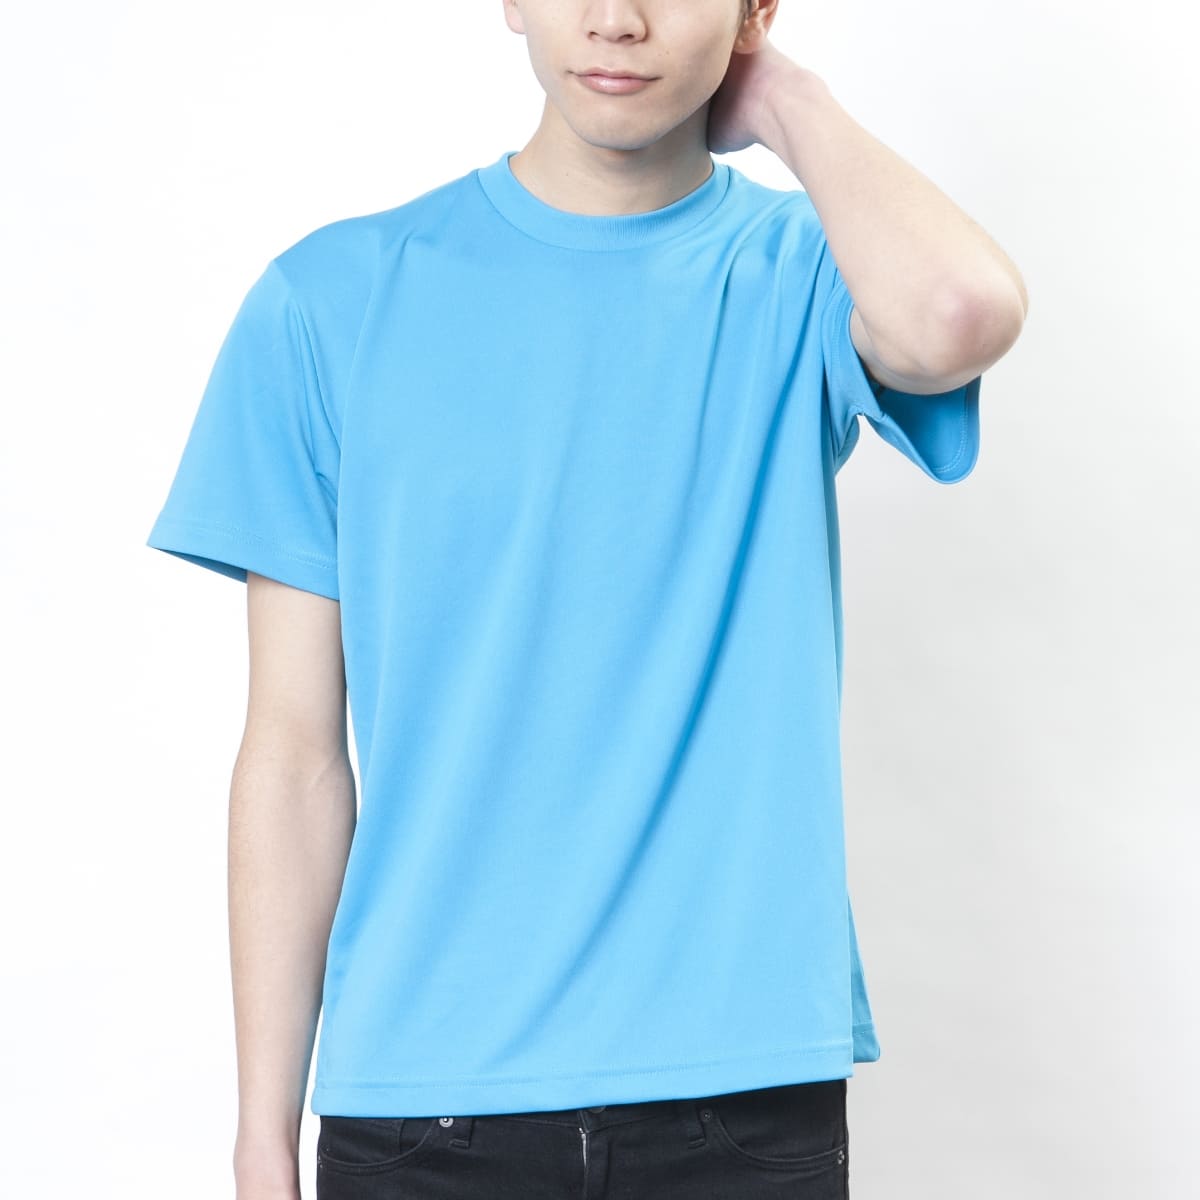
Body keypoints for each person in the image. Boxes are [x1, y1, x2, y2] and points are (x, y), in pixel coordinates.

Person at [146, 2, 1027, 1197]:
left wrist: (781, 97)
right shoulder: (331, 302)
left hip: (736, 1097)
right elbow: (295, 754)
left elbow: (961, 314)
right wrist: (262, 1139)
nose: (617, 18)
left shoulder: (802, 274)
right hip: (422, 1108)